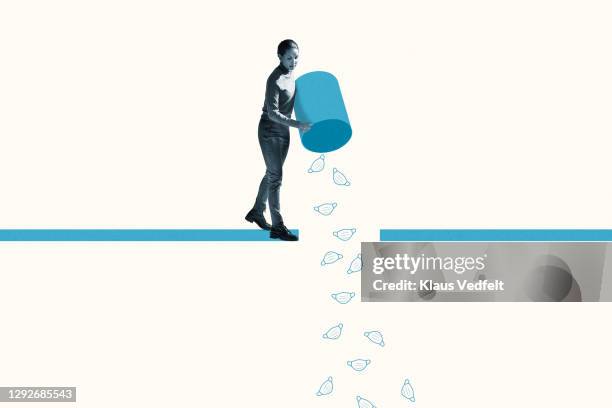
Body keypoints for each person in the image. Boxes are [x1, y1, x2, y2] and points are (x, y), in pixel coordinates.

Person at [245, 39, 311, 241]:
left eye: (296, 57)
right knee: (276, 178)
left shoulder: (292, 77)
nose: (293, 61)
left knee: (272, 174)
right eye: (289, 57)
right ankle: (278, 226)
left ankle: (257, 211)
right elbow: (272, 113)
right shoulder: (274, 79)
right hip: (269, 130)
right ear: (280, 57)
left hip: (284, 132)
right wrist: (297, 124)